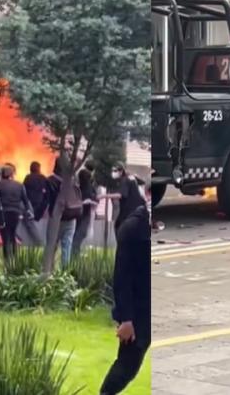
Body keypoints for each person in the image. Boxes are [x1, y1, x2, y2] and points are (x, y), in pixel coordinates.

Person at [100, 181, 152, 394]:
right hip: (138, 311)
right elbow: (122, 278)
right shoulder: (132, 228)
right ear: (146, 195)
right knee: (128, 364)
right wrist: (126, 319)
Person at [45, 157, 82, 267]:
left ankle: (48, 269)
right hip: (71, 216)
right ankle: (65, 272)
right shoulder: (72, 180)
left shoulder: (50, 181)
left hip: (56, 218)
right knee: (67, 245)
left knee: (52, 244)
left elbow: (47, 199)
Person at [0, 163, 34, 260]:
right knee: (12, 234)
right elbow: (25, 200)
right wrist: (29, 211)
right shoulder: (19, 185)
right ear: (12, 174)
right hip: (15, 213)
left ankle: (7, 259)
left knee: (5, 237)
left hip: (3, 213)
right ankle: (14, 257)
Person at [73, 161, 98, 257]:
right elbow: (92, 196)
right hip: (85, 211)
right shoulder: (87, 184)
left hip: (81, 210)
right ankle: (74, 254)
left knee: (79, 233)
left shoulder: (82, 184)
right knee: (81, 233)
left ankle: (75, 252)